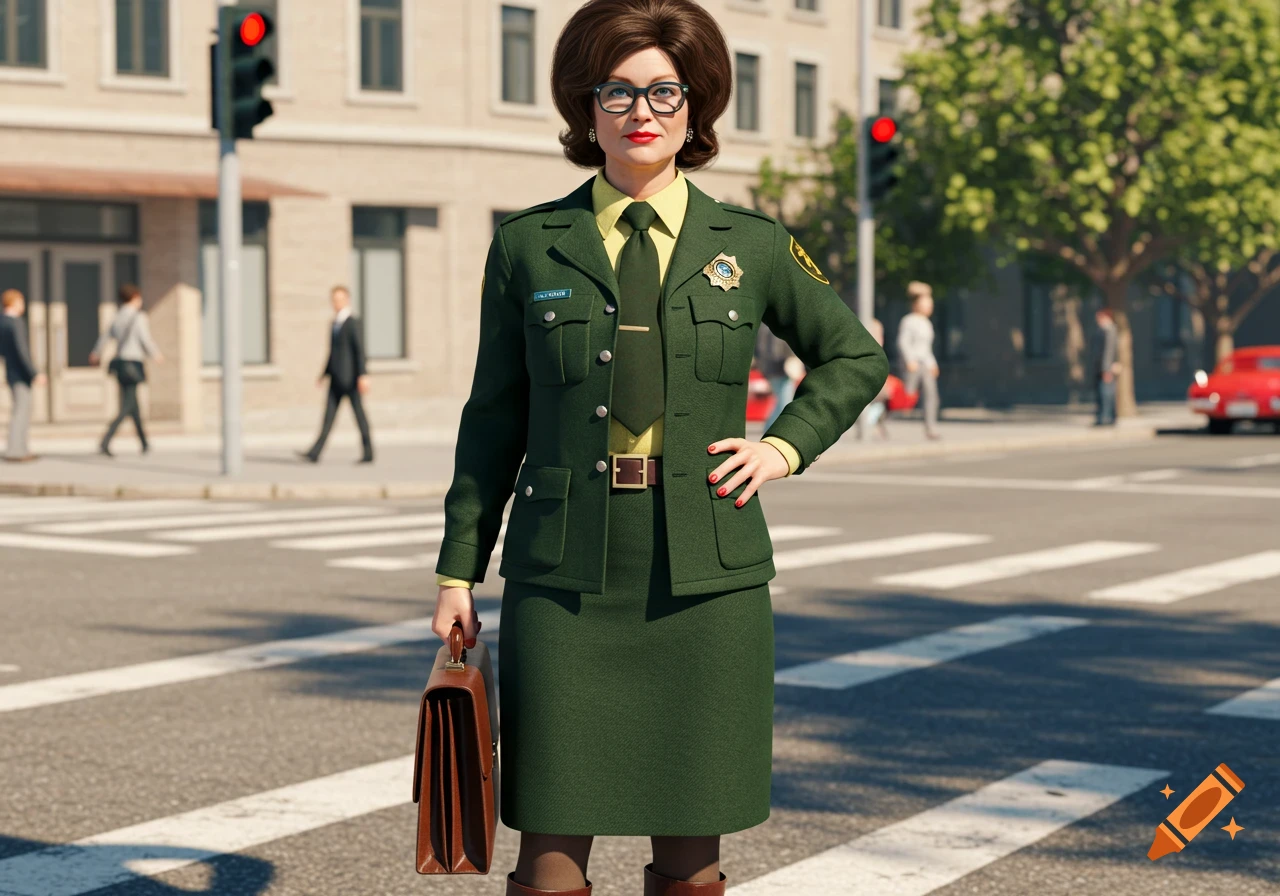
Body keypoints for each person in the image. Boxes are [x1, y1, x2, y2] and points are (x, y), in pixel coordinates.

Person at [431, 2, 888, 893]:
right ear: (586, 106)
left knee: (692, 851)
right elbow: (494, 416)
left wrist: (782, 448)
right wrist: (458, 571)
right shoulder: (529, 245)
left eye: (665, 92)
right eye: (619, 91)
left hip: (704, 583)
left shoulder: (750, 245)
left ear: (697, 106)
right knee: (551, 851)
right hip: (565, 583)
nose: (643, 112)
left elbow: (854, 355)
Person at [299, 285, 373, 464]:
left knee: (359, 415)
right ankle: (314, 453)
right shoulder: (334, 323)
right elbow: (332, 353)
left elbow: (360, 350)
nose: (337, 303)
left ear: (347, 300)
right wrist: (323, 374)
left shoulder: (352, 322)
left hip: (351, 379)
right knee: (328, 417)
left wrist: (363, 375)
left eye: (340, 299)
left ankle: (369, 452)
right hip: (336, 378)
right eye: (334, 299)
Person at [89, 283, 163, 457]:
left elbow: (105, 337)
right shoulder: (138, 317)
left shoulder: (117, 316)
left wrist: (96, 352)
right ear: (135, 297)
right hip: (133, 362)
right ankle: (105, 441)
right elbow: (145, 339)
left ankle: (144, 443)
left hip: (120, 363)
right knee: (127, 406)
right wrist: (156, 354)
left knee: (133, 405)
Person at [0, 288, 44, 462]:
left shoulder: (2, 322)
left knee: (19, 410)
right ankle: (16, 450)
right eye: (21, 301)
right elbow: (22, 350)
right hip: (20, 374)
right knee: (22, 412)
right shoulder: (16, 323)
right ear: (14, 303)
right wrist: (34, 373)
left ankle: (19, 448)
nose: (23, 305)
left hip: (11, 371)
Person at [896, 281, 941, 440]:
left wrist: (932, 364)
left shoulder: (927, 323)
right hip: (913, 364)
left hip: (925, 364)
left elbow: (927, 348)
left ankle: (931, 428)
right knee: (906, 397)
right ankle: (885, 420)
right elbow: (903, 342)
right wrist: (909, 360)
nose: (930, 306)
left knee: (931, 396)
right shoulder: (909, 321)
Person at [754, 322, 797, 430]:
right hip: (781, 368)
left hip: (771, 368)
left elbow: (759, 350)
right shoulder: (779, 328)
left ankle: (770, 425)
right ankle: (775, 426)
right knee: (784, 400)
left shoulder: (762, 328)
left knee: (781, 399)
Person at [1093, 307, 1121, 425]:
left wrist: (1106, 369)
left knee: (1107, 394)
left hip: (1106, 369)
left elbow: (1109, 351)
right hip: (1100, 368)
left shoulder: (1110, 330)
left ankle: (1107, 417)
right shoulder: (1101, 330)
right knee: (1102, 393)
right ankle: (1104, 416)